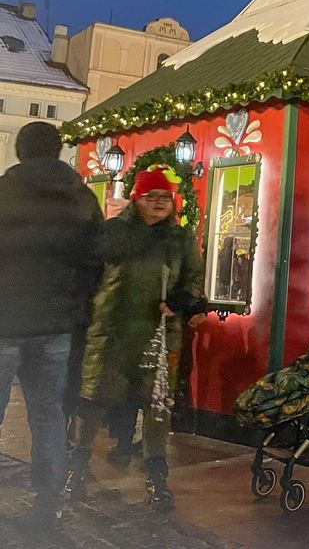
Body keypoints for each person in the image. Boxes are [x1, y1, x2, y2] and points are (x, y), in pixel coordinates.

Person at [67, 165, 208, 511]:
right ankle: (75, 471)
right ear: (137, 199)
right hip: (110, 334)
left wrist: (181, 302)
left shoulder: (180, 240)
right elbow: (87, 278)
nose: (160, 203)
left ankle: (157, 481)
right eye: (152, 196)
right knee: (91, 403)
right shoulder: (112, 233)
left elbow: (193, 279)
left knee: (157, 411)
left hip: (158, 339)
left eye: (165, 197)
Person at [0, 123, 104, 533]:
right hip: (58, 326)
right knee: (48, 417)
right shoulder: (81, 199)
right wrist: (77, 305)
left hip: (4, 322)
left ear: (20, 150)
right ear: (59, 151)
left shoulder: (3, 193)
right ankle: (48, 508)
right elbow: (98, 261)